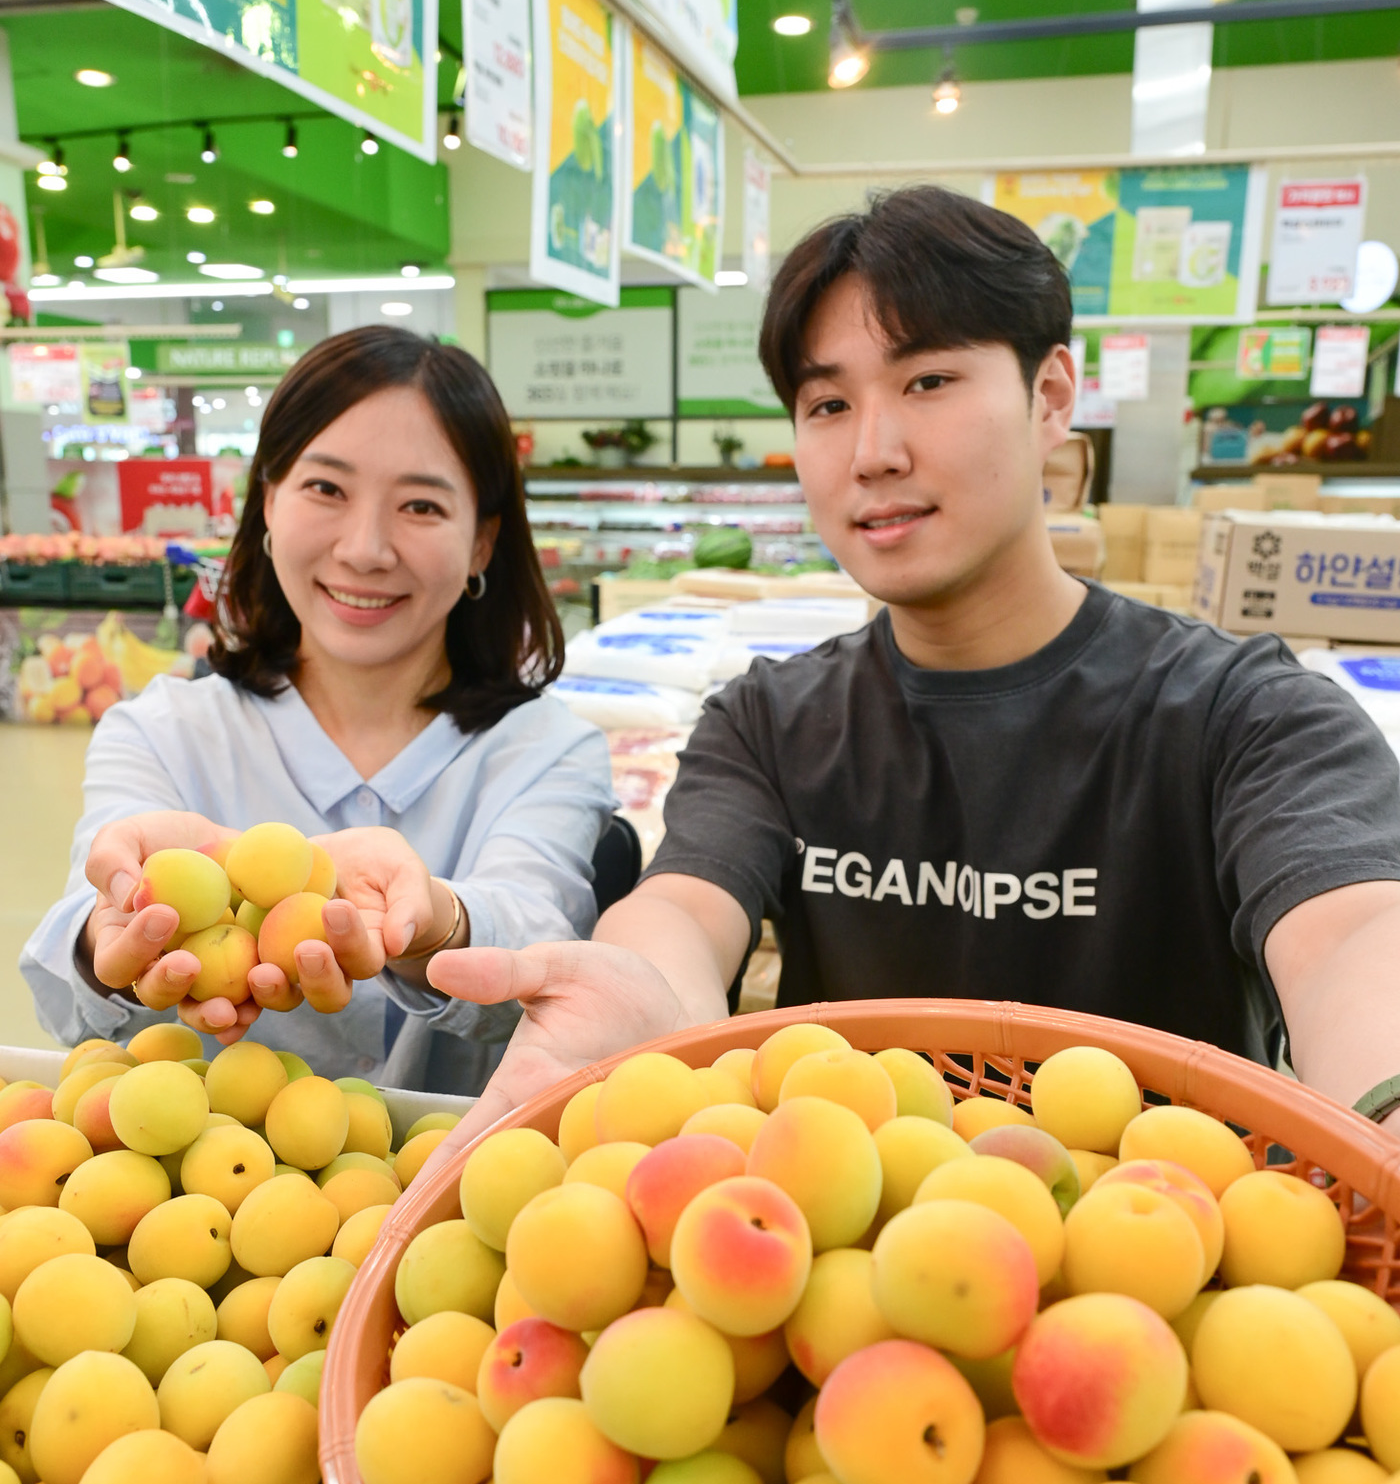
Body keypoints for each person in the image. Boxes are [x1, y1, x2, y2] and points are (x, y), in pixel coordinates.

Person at [428, 185, 1400, 1142]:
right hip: (850, 1265)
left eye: (927, 381)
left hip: (1165, 1262)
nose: (872, 450)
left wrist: (1384, 1091)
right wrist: (642, 988)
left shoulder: (1241, 715)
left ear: (1049, 396)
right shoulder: (768, 723)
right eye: (825, 403)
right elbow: (685, 907)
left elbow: (1349, 935)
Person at [23, 326, 615, 1093]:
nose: (365, 549)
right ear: (269, 502)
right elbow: (76, 953)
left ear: (482, 543)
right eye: (326, 489)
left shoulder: (548, 750)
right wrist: (108, 939)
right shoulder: (163, 732)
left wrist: (435, 919)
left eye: (422, 506)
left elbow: (538, 934)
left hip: (453, 1190)